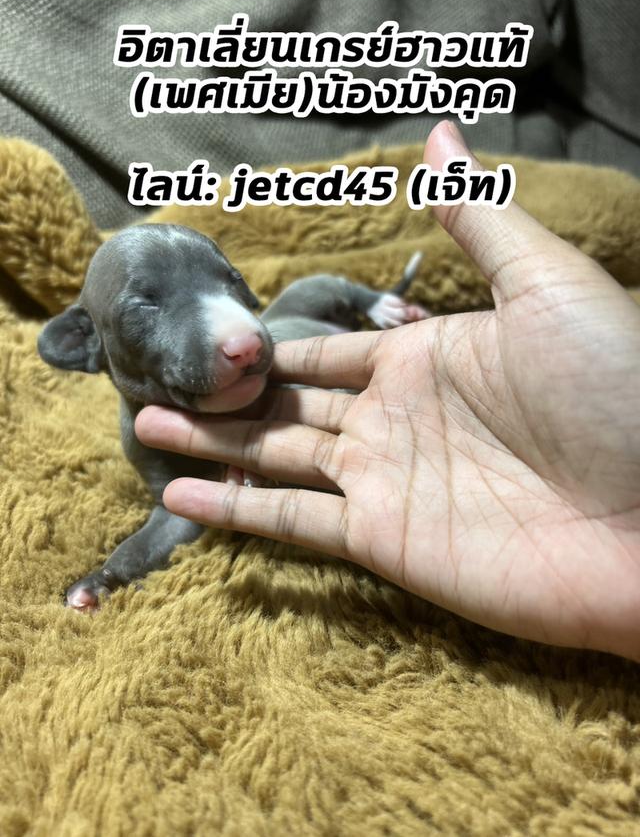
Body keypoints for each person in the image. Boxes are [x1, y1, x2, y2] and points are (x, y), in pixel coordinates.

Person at [135, 121, 640, 662]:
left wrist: (371, 303)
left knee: (309, 294)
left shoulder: (270, 342)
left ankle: (376, 302)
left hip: (357, 362)